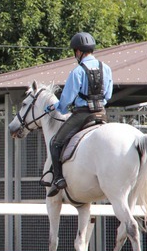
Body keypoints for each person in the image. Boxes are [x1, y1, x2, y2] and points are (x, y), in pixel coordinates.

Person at [44, 32, 113, 197]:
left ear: (78, 52)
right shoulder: (107, 69)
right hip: (101, 114)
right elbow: (108, 95)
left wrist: (56, 107)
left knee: (55, 143)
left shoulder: (77, 72)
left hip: (83, 115)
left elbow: (66, 100)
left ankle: (59, 179)